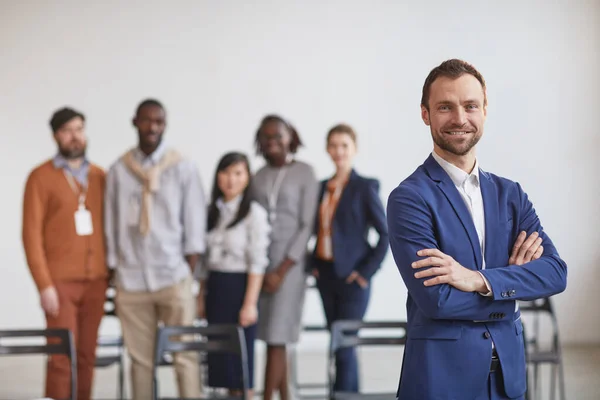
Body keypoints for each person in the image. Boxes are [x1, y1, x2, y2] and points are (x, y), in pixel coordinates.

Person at [386, 58, 568, 400]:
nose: (459, 118)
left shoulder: (510, 194)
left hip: (507, 381)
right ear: (425, 114)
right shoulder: (409, 198)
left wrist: (478, 280)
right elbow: (437, 300)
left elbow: (555, 274)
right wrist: (511, 295)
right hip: (441, 381)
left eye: (470, 106)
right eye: (445, 107)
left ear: (485, 110)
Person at [104, 99, 205, 400]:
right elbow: (111, 223)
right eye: (147, 121)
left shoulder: (183, 167)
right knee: (140, 361)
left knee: (185, 356)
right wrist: (115, 269)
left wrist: (187, 268)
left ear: (165, 124)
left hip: (172, 276)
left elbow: (195, 222)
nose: (152, 127)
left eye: (159, 121)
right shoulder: (119, 170)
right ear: (135, 122)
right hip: (132, 280)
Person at [22, 107, 109, 400]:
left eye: (80, 129)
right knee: (61, 356)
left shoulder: (100, 176)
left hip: (96, 280)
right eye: (68, 130)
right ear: (56, 136)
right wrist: (44, 284)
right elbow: (30, 235)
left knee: (87, 355)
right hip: (59, 284)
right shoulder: (40, 177)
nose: (76, 136)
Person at [309, 123, 388, 392]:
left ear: (354, 149)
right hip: (326, 275)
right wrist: (313, 265)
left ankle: (345, 395)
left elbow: (385, 234)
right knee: (335, 343)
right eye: (333, 145)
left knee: (345, 345)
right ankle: (340, 394)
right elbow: (311, 231)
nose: (338, 151)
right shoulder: (320, 188)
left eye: (344, 145)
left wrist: (365, 273)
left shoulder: (365, 187)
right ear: (327, 149)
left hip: (353, 278)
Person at [251, 114, 319, 400]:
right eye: (266, 138)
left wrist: (281, 269)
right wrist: (260, 267)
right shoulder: (258, 176)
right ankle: (285, 395)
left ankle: (267, 396)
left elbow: (307, 225)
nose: (272, 142)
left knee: (278, 336)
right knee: (270, 334)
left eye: (278, 136)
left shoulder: (305, 172)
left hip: (290, 266)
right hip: (259, 264)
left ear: (290, 137)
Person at [196, 152, 270, 398]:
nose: (231, 180)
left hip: (240, 288)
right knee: (219, 362)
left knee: (241, 361)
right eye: (226, 173)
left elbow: (257, 262)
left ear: (247, 178)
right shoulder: (211, 212)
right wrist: (200, 296)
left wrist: (250, 304)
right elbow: (205, 261)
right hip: (215, 288)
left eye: (238, 173)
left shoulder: (254, 213)